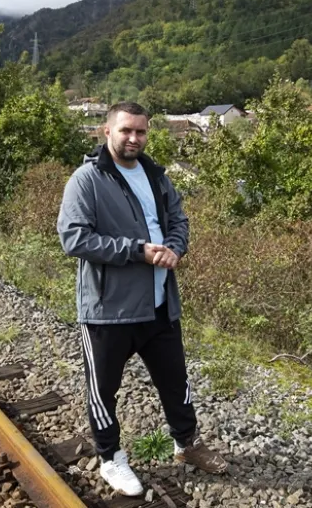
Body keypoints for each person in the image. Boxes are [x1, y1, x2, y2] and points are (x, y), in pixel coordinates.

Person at [57, 101, 228, 497]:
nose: (134, 138)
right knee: (103, 392)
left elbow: (179, 221)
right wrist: (138, 251)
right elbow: (74, 238)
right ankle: (111, 458)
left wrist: (174, 249)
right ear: (107, 132)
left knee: (176, 382)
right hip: (108, 310)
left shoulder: (155, 176)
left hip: (159, 305)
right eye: (126, 131)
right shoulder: (88, 179)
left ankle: (186, 444)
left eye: (141, 131)